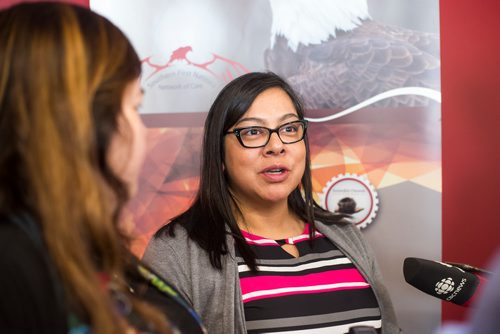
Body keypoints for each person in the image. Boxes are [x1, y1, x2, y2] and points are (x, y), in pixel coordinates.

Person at [0, 3, 205, 333]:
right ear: (81, 122)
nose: (141, 131)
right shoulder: (13, 265)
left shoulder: (82, 247)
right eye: (134, 107)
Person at [144, 72, 400, 333]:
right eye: (253, 132)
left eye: (289, 129)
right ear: (218, 152)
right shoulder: (176, 252)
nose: (276, 146)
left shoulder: (346, 235)